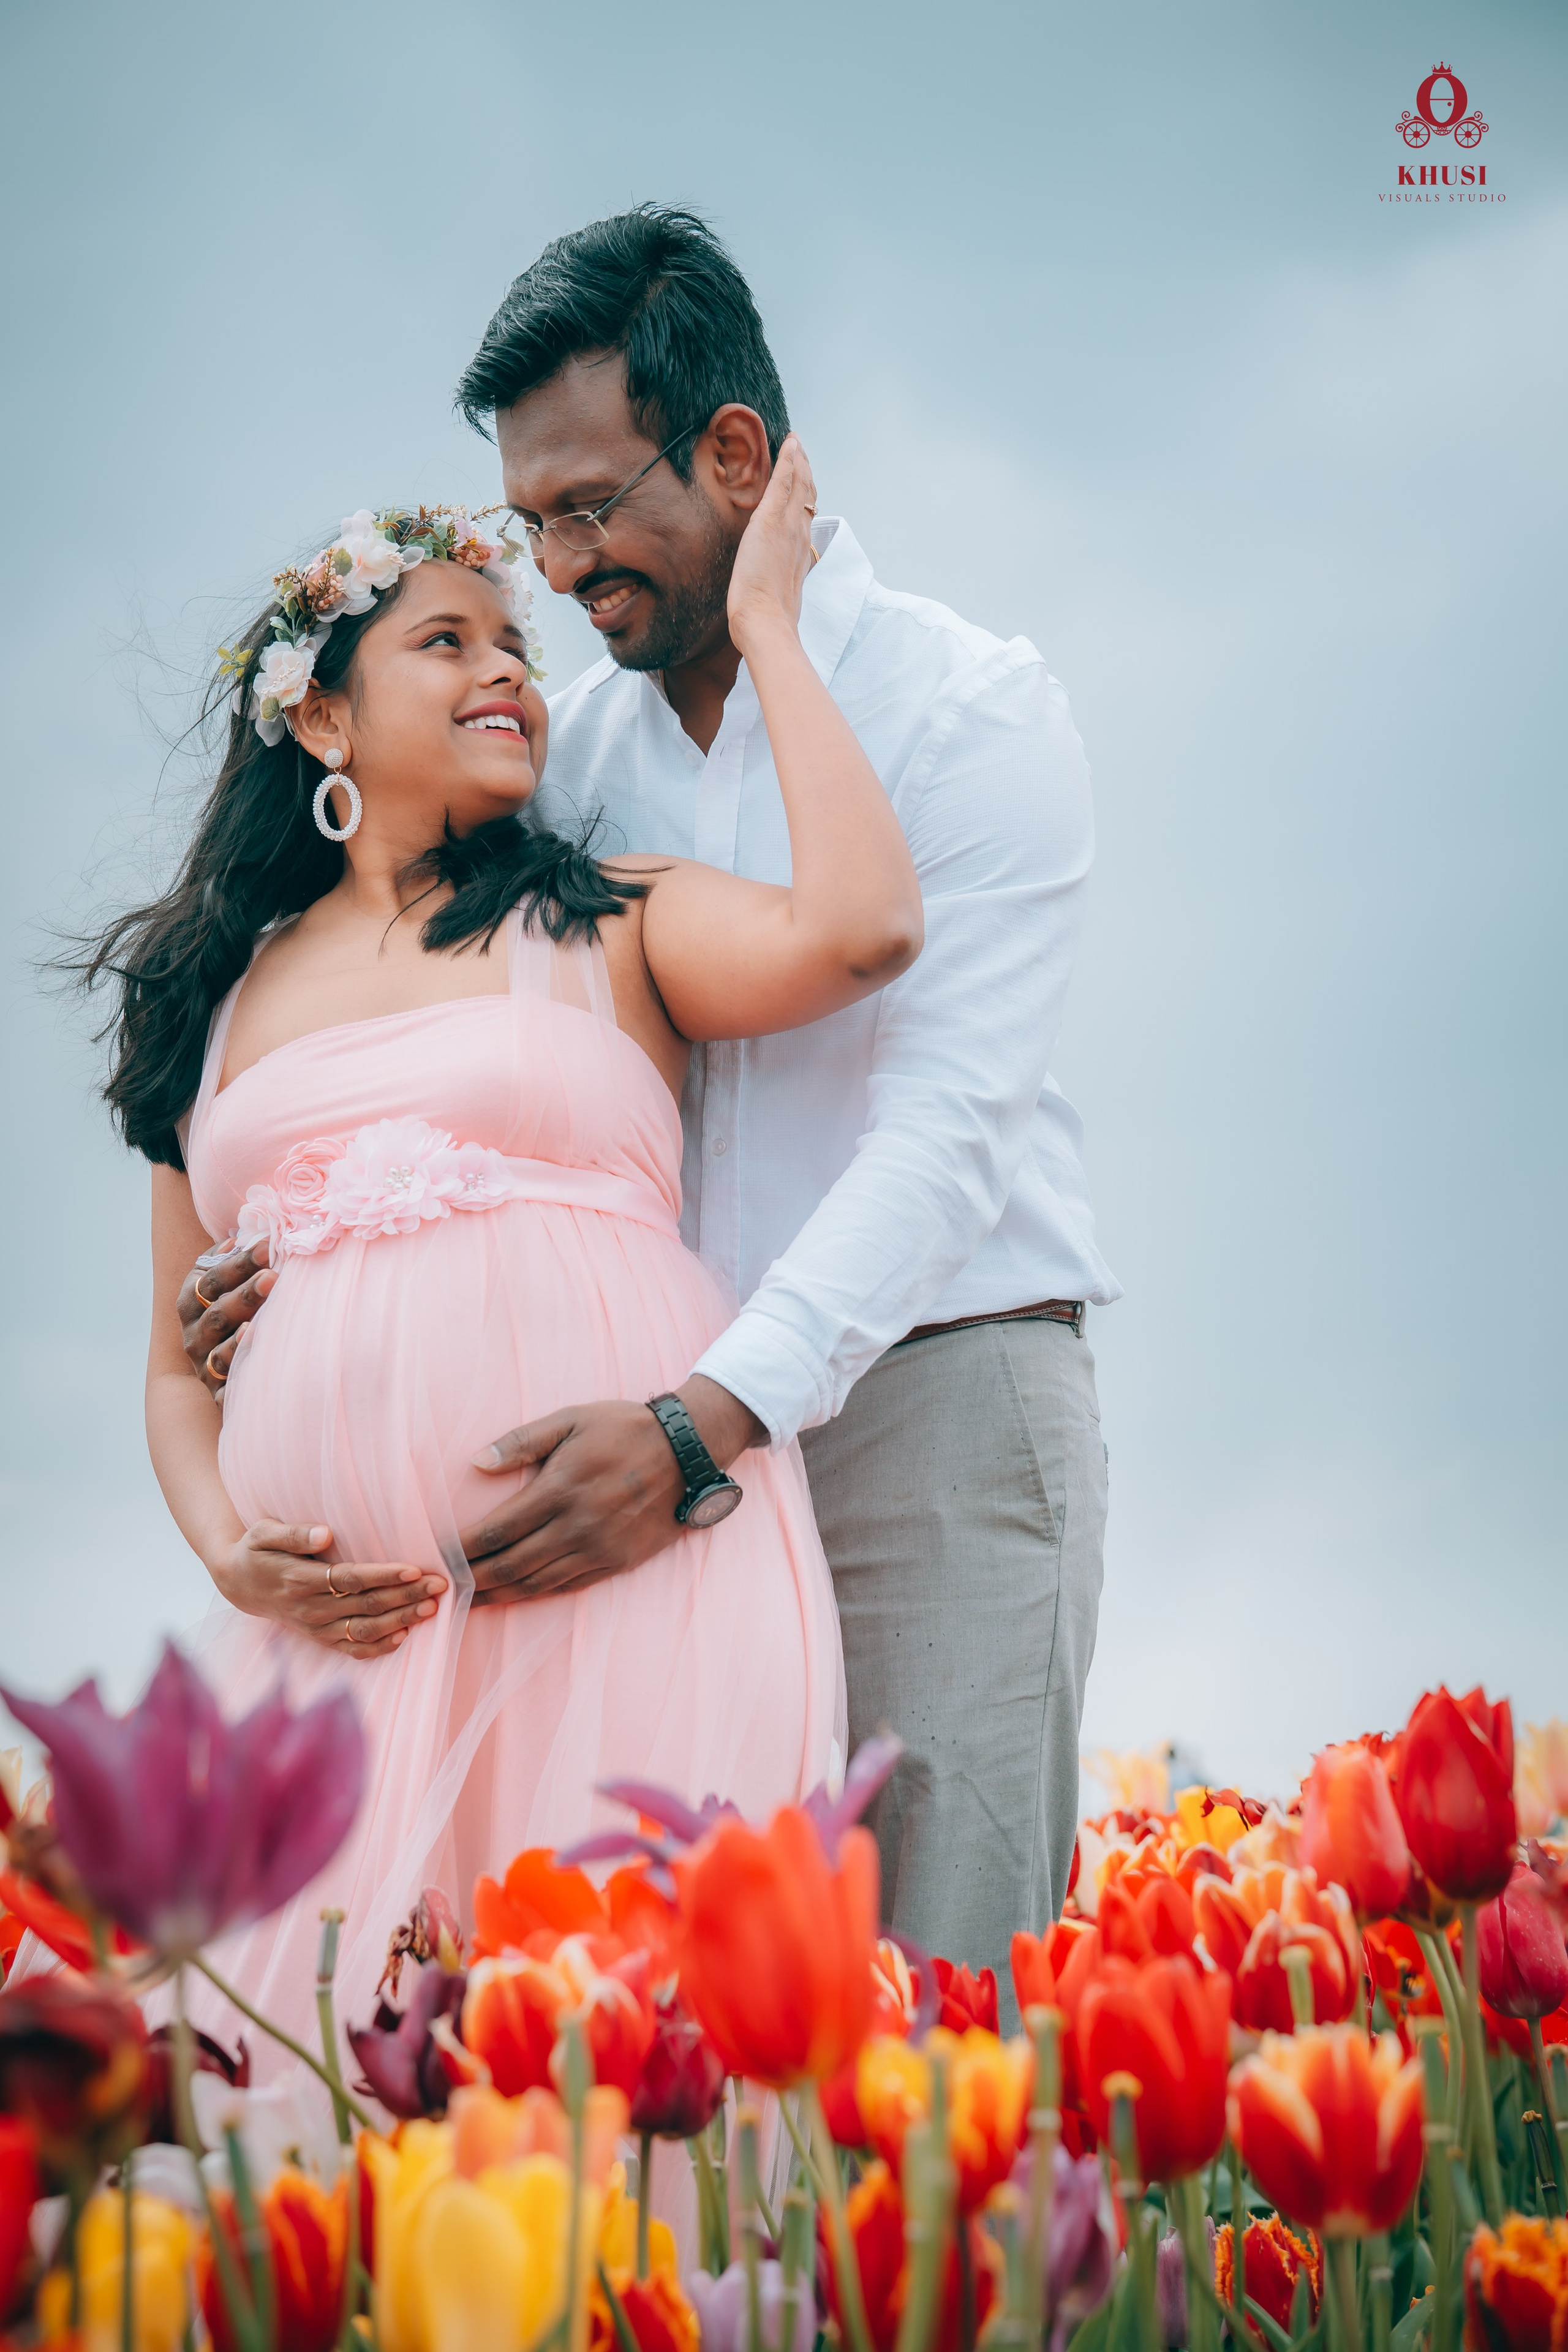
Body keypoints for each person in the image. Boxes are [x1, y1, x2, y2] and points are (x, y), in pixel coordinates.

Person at [185, 206, 1120, 2017]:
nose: (560, 565)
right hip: (638, 1470)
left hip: (919, 1395)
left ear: (740, 456)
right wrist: (284, 1265)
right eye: (533, 521)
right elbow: (429, 1046)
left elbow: (942, 1138)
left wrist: (704, 1429)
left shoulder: (969, 710)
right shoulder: (576, 750)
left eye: (595, 506)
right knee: (657, 2042)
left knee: (928, 2041)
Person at [83, 445, 917, 2053]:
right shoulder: (214, 997)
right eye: (448, 641)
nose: (508, 672)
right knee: (326, 2106)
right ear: (321, 720)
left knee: (620, 2061)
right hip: (341, 1644)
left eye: (517, 647)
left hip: (633, 1590)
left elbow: (865, 928)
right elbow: (172, 1366)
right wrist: (223, 1548)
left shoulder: (613, 917)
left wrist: (772, 632)